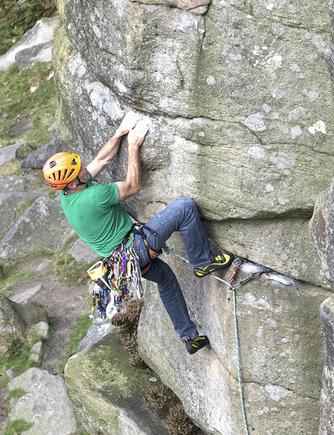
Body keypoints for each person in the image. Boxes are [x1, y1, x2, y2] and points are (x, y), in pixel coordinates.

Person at [42, 120, 234, 354]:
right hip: (135, 248)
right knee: (184, 208)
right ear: (73, 183)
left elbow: (101, 160)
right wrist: (133, 146)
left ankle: (189, 337)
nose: (84, 167)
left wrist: (119, 134)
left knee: (166, 280)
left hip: (121, 263)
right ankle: (203, 261)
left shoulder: (67, 195)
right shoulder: (94, 196)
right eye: (80, 168)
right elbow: (133, 186)